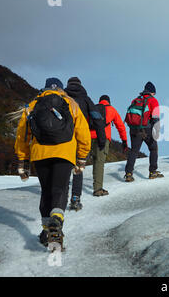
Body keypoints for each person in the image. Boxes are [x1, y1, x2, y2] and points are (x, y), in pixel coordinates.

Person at [14, 78, 91, 248]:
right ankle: (56, 222)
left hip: (40, 153)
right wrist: (82, 157)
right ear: (61, 89)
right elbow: (83, 132)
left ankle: (45, 231)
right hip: (64, 153)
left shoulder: (34, 104)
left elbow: (22, 134)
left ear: (45, 87)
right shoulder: (70, 103)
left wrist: (22, 160)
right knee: (60, 189)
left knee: (46, 191)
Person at [64, 77, 106, 210]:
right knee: (78, 167)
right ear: (80, 85)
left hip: (63, 137)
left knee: (63, 168)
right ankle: (75, 198)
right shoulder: (86, 99)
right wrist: (101, 139)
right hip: (80, 136)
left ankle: (59, 200)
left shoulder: (62, 97)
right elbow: (98, 119)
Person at [124, 82, 164, 181]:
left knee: (134, 151)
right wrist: (157, 131)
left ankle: (128, 174)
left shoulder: (136, 100)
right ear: (152, 92)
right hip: (146, 129)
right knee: (153, 148)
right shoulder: (153, 100)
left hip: (133, 129)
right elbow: (155, 118)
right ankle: (152, 172)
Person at [90, 95, 128, 196]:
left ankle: (72, 190)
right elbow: (121, 126)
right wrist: (124, 141)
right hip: (102, 138)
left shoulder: (93, 108)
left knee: (84, 161)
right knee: (99, 162)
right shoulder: (111, 110)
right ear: (109, 101)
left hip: (88, 137)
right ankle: (97, 189)